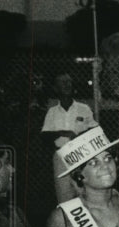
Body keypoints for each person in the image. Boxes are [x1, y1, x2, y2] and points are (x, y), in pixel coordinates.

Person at [41, 73, 99, 203]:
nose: (67, 85)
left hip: (83, 155)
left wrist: (78, 137)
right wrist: (62, 132)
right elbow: (44, 135)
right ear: (56, 88)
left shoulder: (83, 108)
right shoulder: (52, 112)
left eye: (69, 82)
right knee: (64, 198)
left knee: (87, 195)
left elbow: (95, 129)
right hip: (61, 157)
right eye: (62, 83)